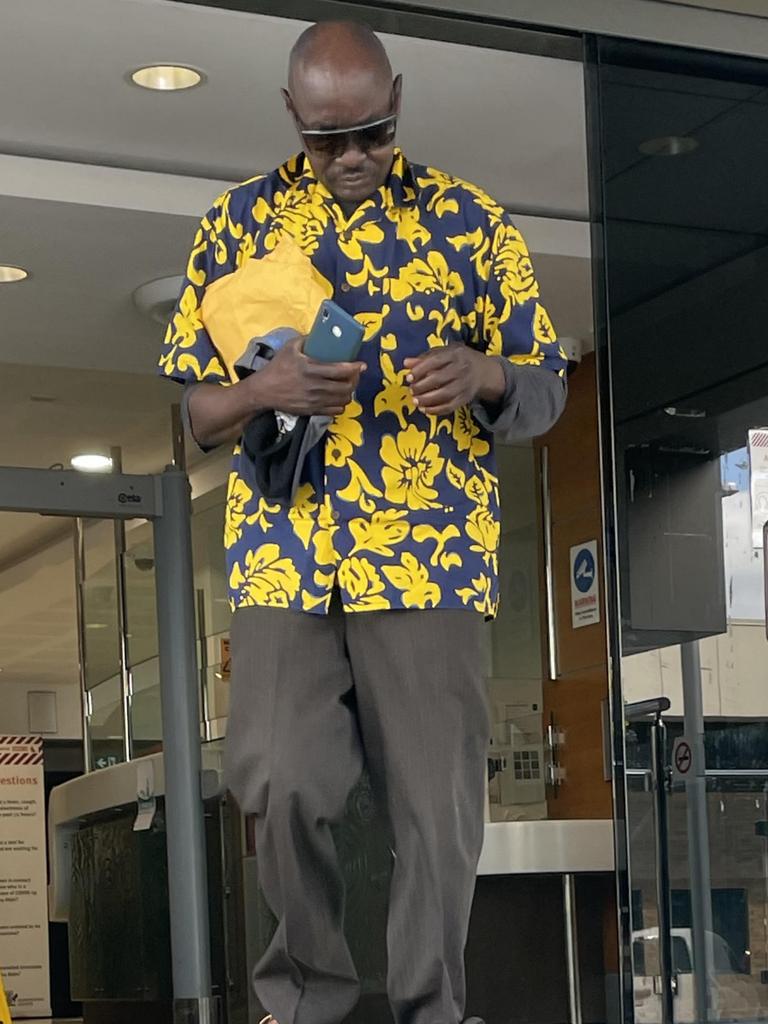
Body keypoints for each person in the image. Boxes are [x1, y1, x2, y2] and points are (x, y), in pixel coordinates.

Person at [159, 20, 567, 1024]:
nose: (351, 159)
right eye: (327, 138)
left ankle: (432, 1008)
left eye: (374, 133)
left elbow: (548, 384)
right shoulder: (236, 226)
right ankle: (303, 1004)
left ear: (399, 99)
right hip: (285, 561)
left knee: (436, 812)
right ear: (291, 115)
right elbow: (190, 413)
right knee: (281, 783)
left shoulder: (471, 223)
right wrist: (267, 390)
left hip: (426, 561)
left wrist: (487, 373)